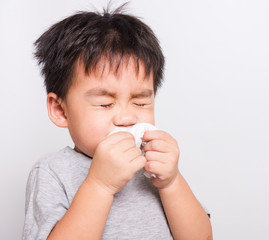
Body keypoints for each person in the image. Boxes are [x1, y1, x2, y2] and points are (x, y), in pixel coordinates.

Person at [22, 4, 212, 240]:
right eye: (105, 104)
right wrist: (100, 185)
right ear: (61, 110)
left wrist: (172, 182)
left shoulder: (153, 166)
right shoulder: (53, 172)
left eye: (141, 103)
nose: (127, 118)